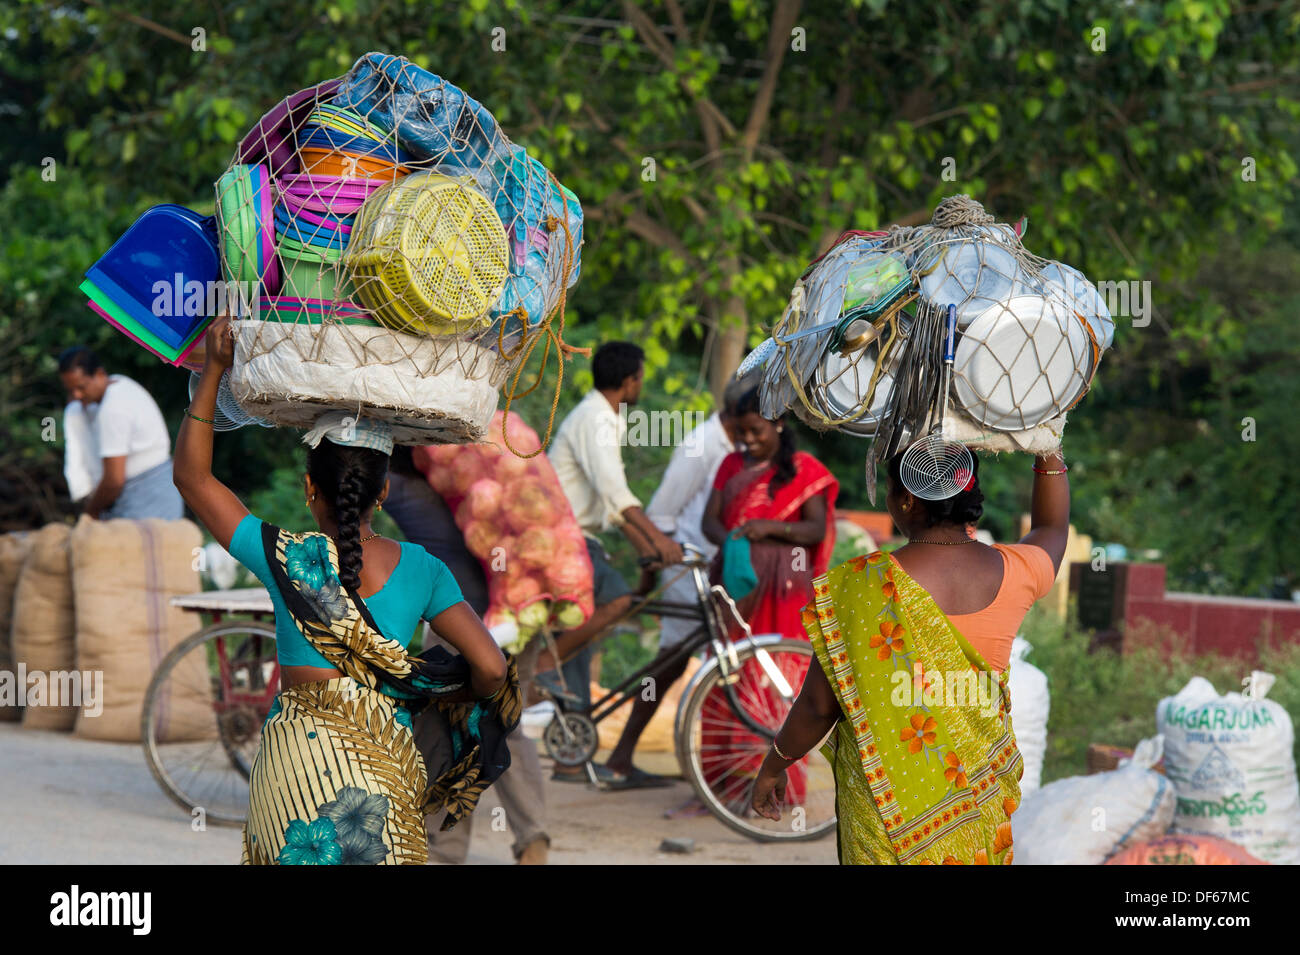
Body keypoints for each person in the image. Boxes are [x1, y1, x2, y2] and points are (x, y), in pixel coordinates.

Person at [173, 316, 519, 866]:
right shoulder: (425, 569)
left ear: (309, 487)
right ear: (384, 491)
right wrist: (436, 694)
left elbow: (193, 480)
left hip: (293, 770)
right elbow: (493, 669)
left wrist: (214, 368)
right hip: (381, 774)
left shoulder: (283, 554)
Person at [750, 448, 1070, 865]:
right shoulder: (1016, 569)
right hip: (977, 799)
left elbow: (817, 705)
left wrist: (775, 764)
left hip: (887, 809)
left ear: (906, 501)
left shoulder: (862, 586)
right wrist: (1048, 448)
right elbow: (1052, 527)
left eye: (888, 490)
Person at [385, 446, 550, 865]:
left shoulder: (400, 487)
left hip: (463, 618)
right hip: (521, 604)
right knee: (506, 722)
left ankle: (444, 849)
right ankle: (533, 842)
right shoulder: (476, 467)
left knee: (444, 729)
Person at [599, 372, 750, 787]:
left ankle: (635, 755)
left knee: (688, 661)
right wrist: (651, 573)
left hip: (713, 564)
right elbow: (662, 513)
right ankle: (623, 754)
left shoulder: (736, 443)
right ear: (740, 414)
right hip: (686, 565)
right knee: (672, 661)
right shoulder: (702, 445)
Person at [542, 341, 683, 784]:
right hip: (563, 539)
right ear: (629, 382)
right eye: (640, 377)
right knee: (620, 599)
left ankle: (570, 756)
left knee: (581, 647)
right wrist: (657, 540)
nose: (641, 383)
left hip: (575, 537)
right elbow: (616, 495)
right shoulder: (597, 420)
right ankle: (542, 666)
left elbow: (611, 504)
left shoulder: (602, 417)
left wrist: (646, 542)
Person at [696, 386, 839, 808]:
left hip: (783, 587)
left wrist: (769, 529)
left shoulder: (804, 468)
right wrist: (737, 542)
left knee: (774, 677)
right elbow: (709, 523)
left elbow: (814, 530)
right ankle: (726, 785)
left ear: (778, 423)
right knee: (727, 672)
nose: (749, 441)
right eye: (741, 433)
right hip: (738, 584)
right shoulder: (730, 465)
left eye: (756, 431)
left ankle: (774, 788)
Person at [58, 346, 183, 519]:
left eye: (81, 387)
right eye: (70, 390)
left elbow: (114, 481)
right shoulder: (121, 383)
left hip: (145, 496)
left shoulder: (111, 409)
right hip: (162, 487)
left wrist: (90, 514)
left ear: (100, 374)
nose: (77, 395)